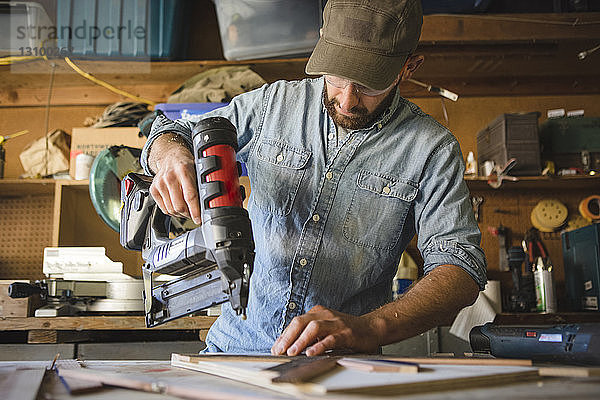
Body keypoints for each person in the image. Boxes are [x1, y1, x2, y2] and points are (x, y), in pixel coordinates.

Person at [141, 0, 487, 356]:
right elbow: (171, 131)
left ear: (408, 68)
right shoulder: (271, 105)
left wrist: (370, 327)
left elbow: (460, 270)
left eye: (370, 84)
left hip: (341, 369)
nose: (348, 99)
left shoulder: (432, 149)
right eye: (337, 76)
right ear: (322, 44)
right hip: (234, 351)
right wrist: (172, 155)